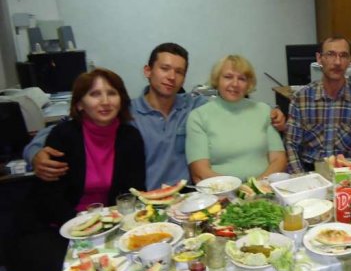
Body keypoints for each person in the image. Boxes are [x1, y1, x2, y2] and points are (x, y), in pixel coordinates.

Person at [23, 43, 286, 190]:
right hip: (146, 199)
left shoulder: (195, 106)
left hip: (189, 195)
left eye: (179, 72)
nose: (171, 77)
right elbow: (71, 126)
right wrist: (35, 152)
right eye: (165, 68)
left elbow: (233, 108)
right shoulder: (126, 112)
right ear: (148, 70)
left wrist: (275, 115)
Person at [7, 68, 145, 271]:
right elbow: (49, 198)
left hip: (110, 225)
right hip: (56, 225)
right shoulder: (63, 136)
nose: (104, 101)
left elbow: (131, 192)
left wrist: (106, 227)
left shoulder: (130, 137)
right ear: (80, 104)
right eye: (95, 94)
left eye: (111, 93)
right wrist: (85, 230)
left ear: (121, 99)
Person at [186, 55, 287, 181]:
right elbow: (200, 171)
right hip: (220, 192)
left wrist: (256, 187)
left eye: (242, 79)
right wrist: (237, 190)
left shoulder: (264, 111)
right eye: (228, 77)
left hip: (264, 190)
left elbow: (279, 159)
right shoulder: (198, 117)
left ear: (248, 84)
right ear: (217, 80)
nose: (235, 84)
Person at [285, 36, 351, 174]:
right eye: (330, 54)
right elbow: (291, 145)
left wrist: (346, 178)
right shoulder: (301, 98)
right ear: (319, 58)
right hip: (308, 172)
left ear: (350, 60)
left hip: (346, 173)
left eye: (343, 56)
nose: (337, 62)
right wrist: (301, 178)